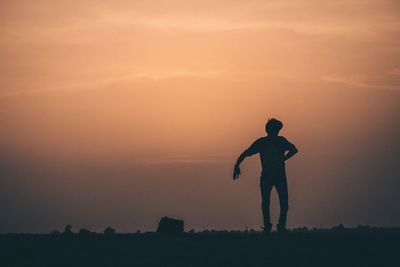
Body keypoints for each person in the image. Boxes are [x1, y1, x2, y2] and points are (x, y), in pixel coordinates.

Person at [233, 118, 298, 233]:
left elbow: (294, 150)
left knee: (282, 202)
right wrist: (237, 165)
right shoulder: (263, 142)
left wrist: (283, 158)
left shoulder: (280, 141)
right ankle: (268, 226)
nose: (276, 132)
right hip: (268, 177)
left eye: (277, 130)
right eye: (275, 129)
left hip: (278, 177)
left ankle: (280, 226)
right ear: (269, 129)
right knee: (267, 202)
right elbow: (246, 152)